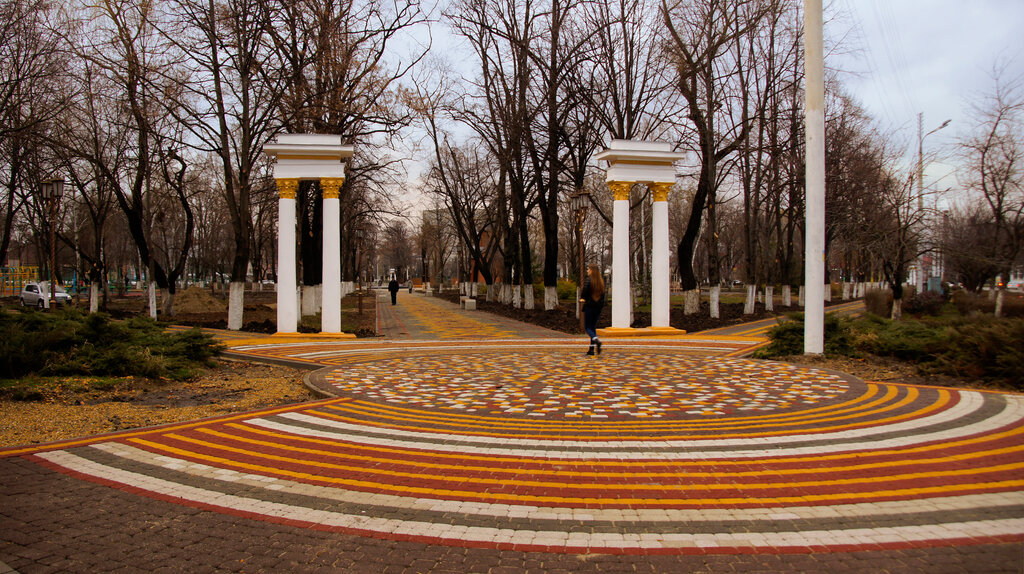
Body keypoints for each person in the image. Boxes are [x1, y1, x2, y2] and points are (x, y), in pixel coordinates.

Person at [579, 265, 606, 356]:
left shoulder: (589, 280)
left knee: (588, 328)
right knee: (593, 328)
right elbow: (603, 296)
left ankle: (596, 340)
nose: (587, 271)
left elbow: (584, 291)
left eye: (588, 269)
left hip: (590, 306)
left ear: (591, 270)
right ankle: (591, 349)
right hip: (598, 308)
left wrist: (583, 298)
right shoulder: (601, 281)